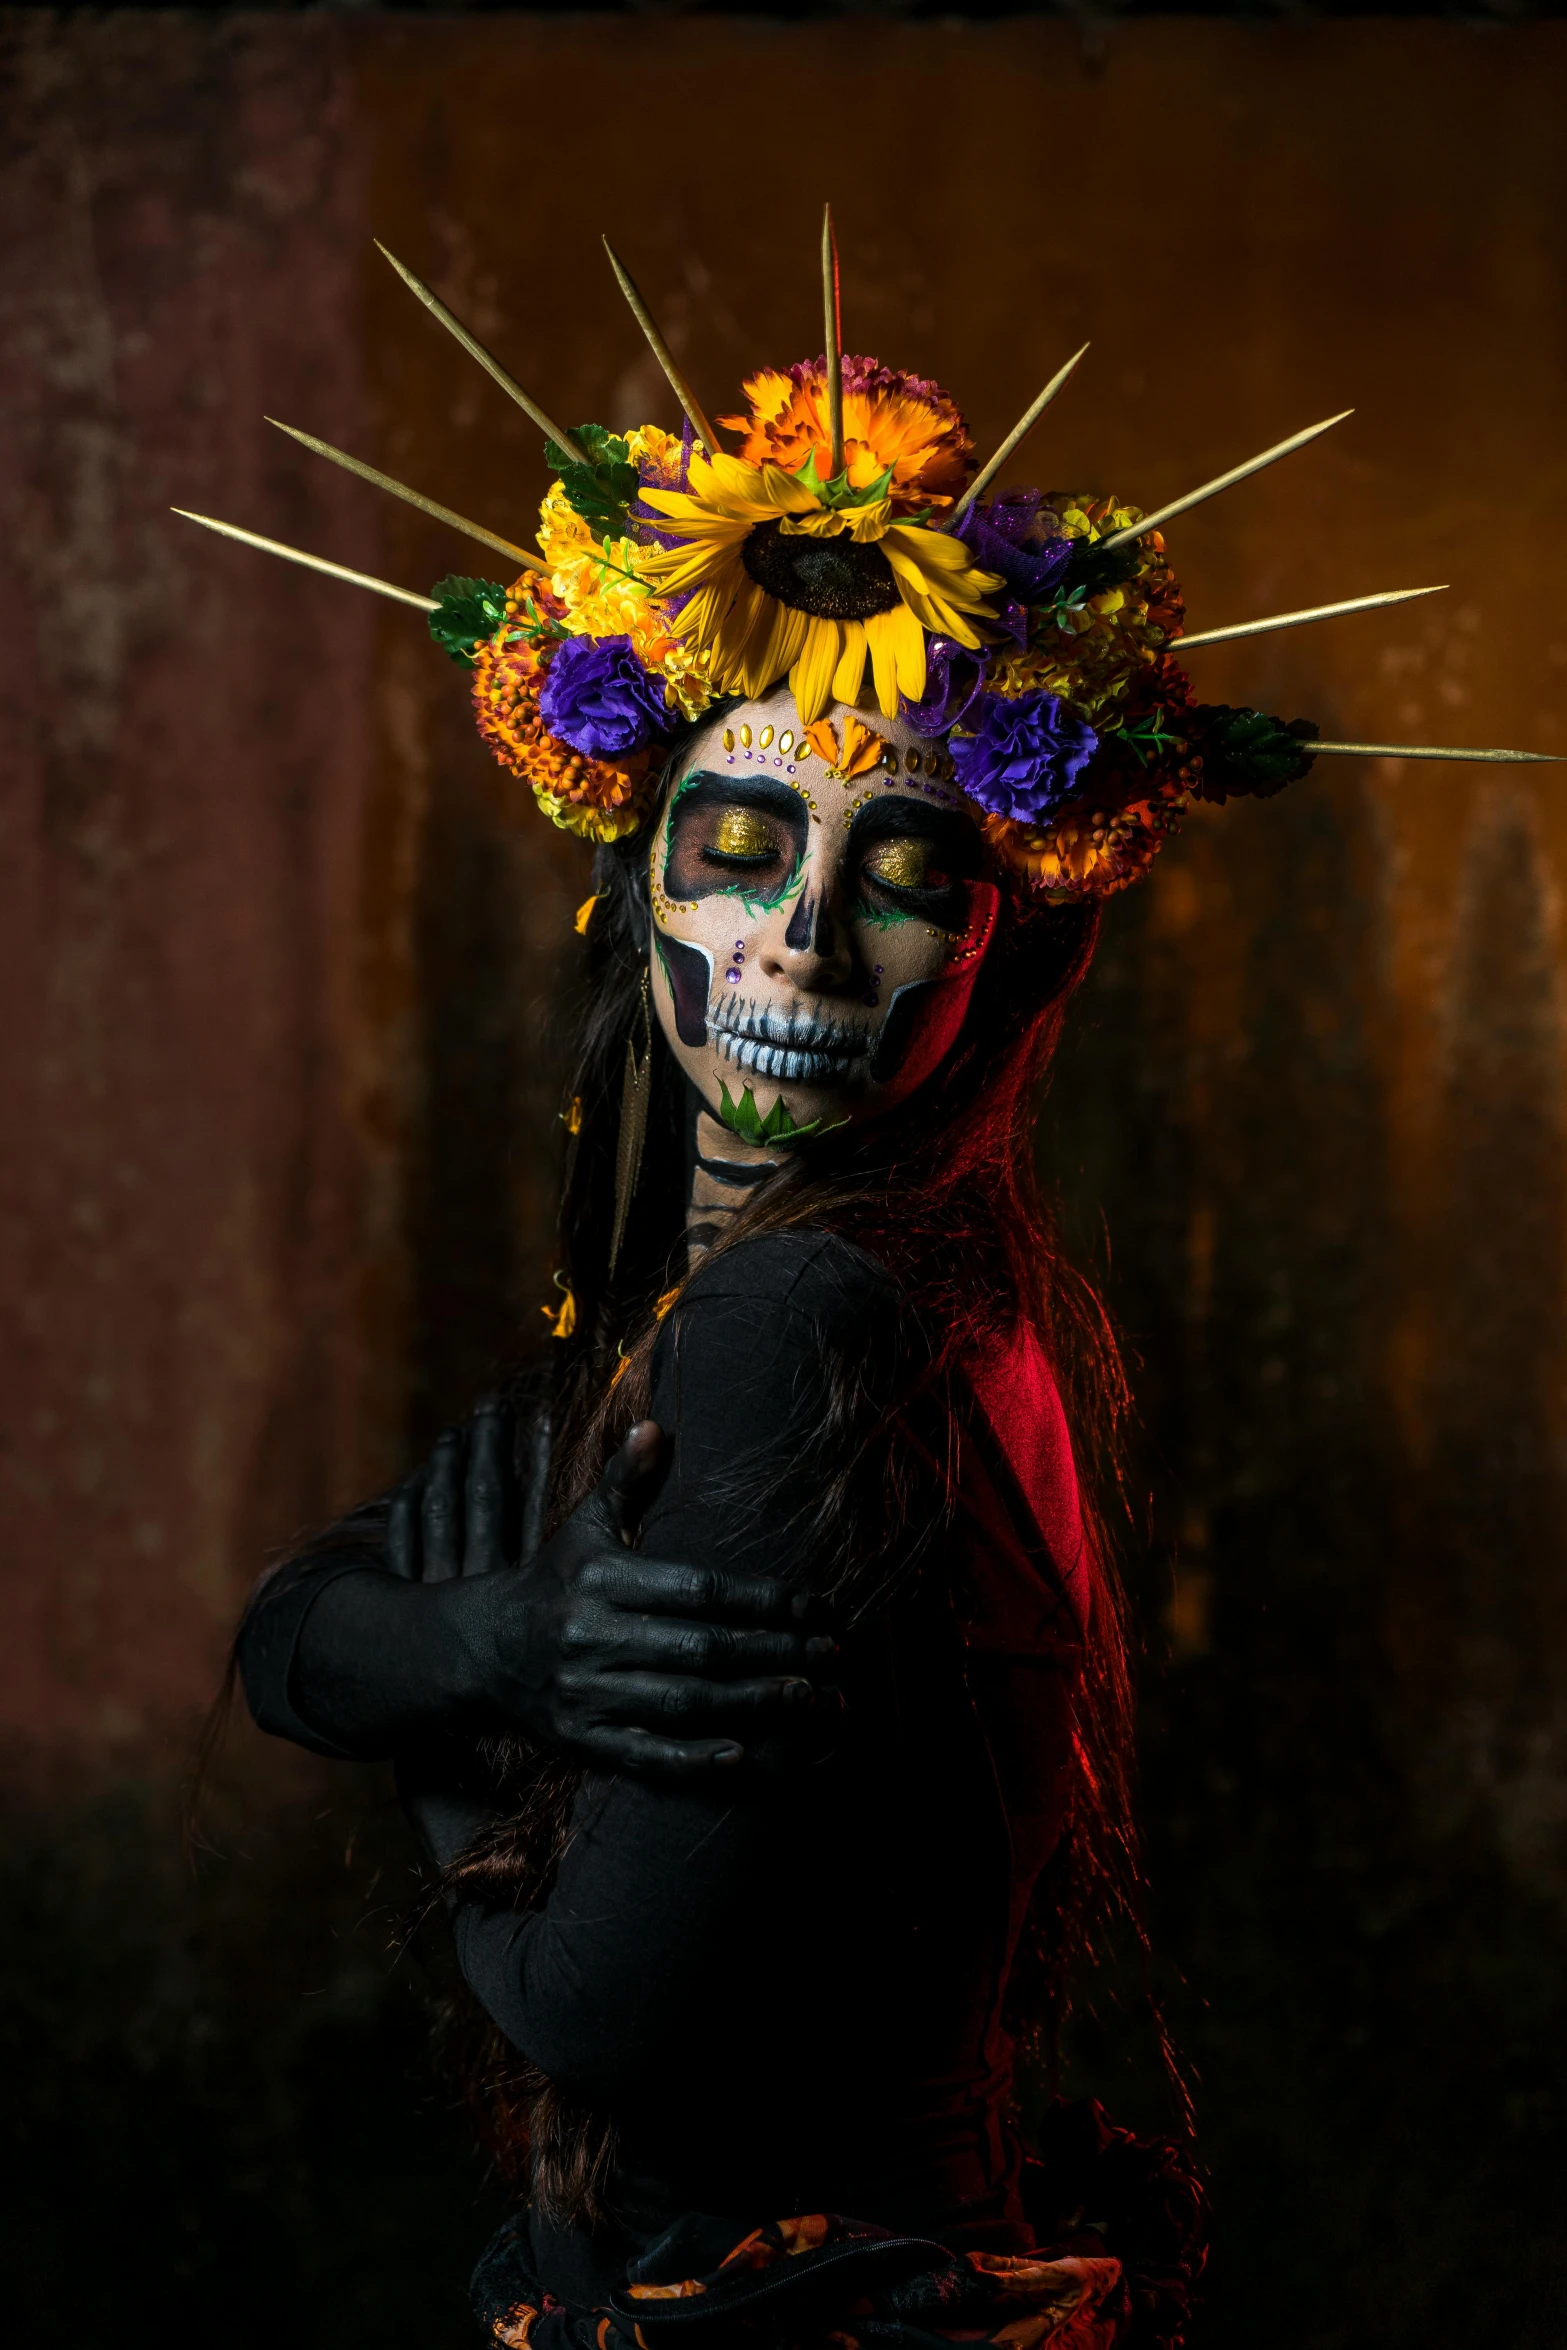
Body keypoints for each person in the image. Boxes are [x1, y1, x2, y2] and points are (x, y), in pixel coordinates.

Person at [203, 219, 1545, 2349]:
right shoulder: (862, 1306)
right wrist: (476, 1627)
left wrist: (469, 1692)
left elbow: (591, 2011)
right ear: (633, 881)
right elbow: (287, 1630)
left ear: (998, 941)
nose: (805, 944)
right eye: (740, 846)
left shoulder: (798, 1325)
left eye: (905, 874)